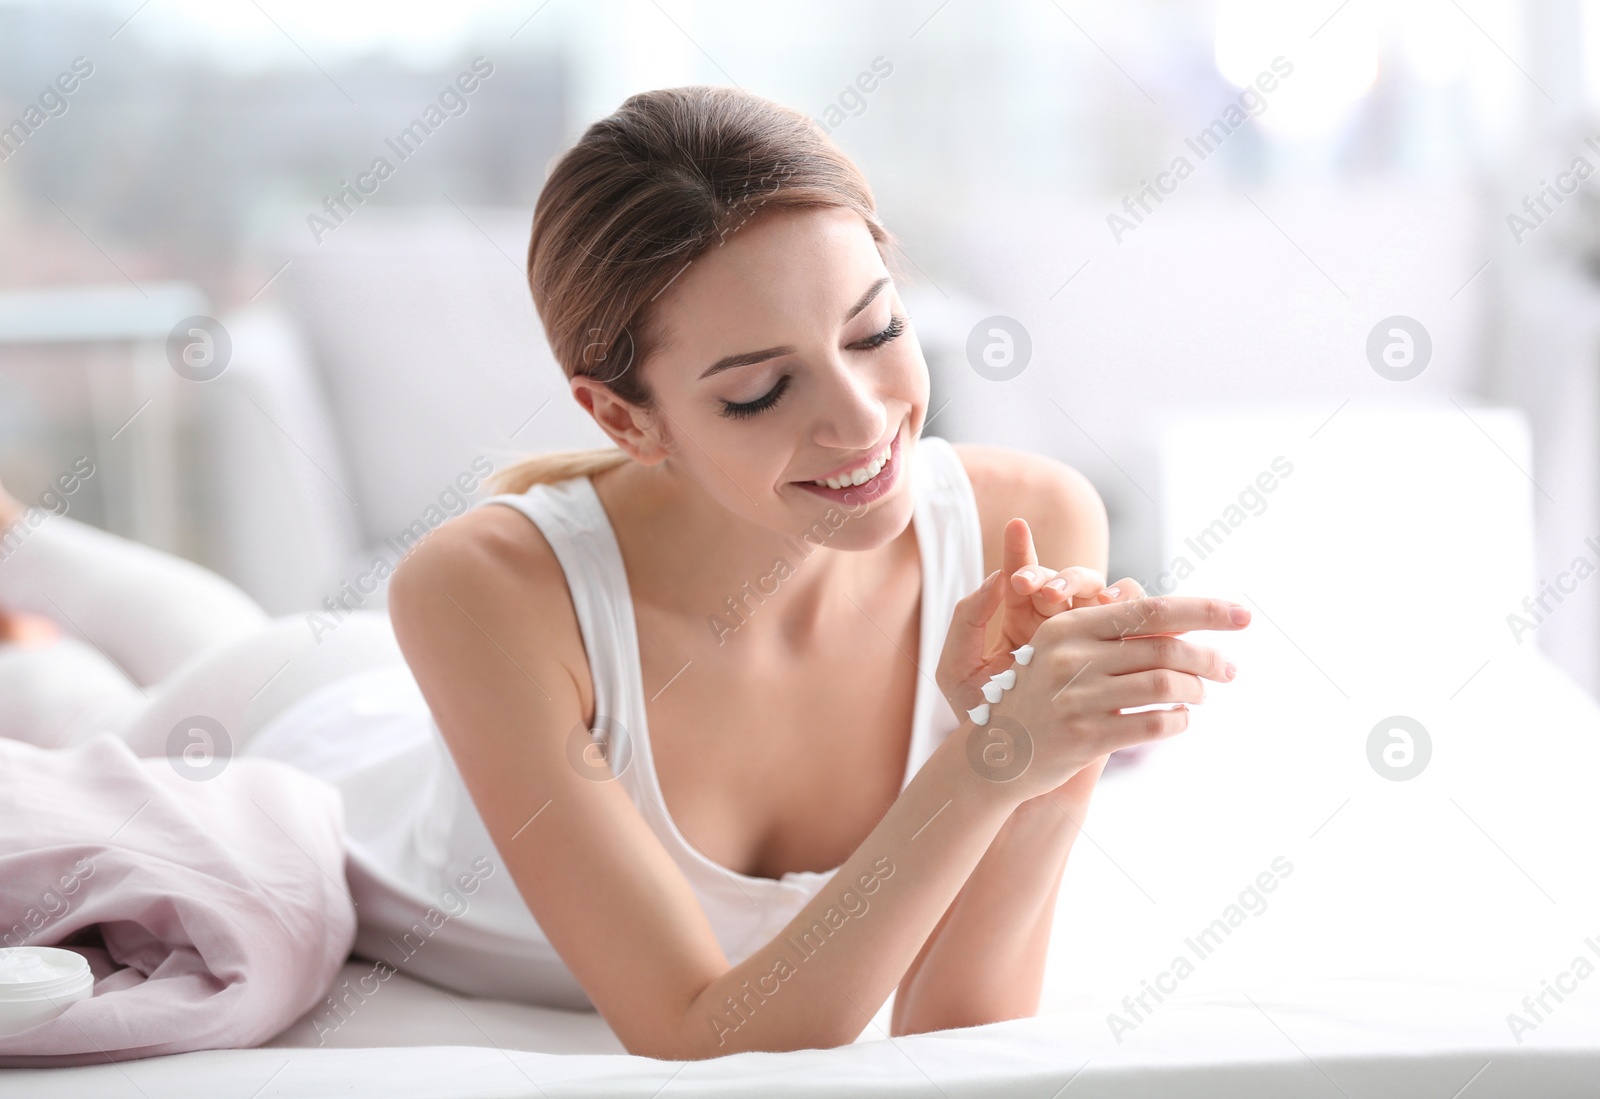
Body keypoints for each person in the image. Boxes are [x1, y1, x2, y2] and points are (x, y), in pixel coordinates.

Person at [0, 85, 1249, 1060]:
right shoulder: (475, 584)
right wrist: (981, 764)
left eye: (875, 330)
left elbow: (946, 1032)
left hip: (440, 698)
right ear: (625, 417)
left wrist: (1042, 755)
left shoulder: (1033, 517)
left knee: (127, 631)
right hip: (300, 723)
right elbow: (699, 1030)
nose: (863, 420)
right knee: (84, 703)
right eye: (760, 391)